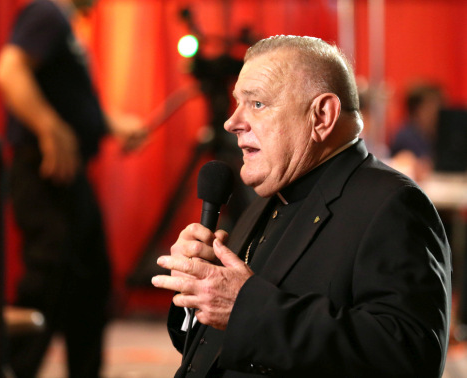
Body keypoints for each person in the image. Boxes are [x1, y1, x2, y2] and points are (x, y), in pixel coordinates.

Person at [151, 35, 452, 377]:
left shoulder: (392, 205)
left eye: (257, 104)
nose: (231, 122)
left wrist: (247, 310)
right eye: (238, 103)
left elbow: (410, 355)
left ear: (322, 115)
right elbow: (229, 342)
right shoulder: (269, 198)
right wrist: (201, 293)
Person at [0, 0, 147, 376]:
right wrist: (49, 127)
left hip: (70, 178)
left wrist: (112, 125)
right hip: (45, 175)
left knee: (90, 285)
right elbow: (8, 70)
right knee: (48, 280)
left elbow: (71, 104)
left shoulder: (61, 22)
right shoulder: (46, 11)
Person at [389, 83, 444, 181]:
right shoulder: (405, 136)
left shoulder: (435, 135)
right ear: (416, 109)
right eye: (432, 105)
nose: (437, 111)